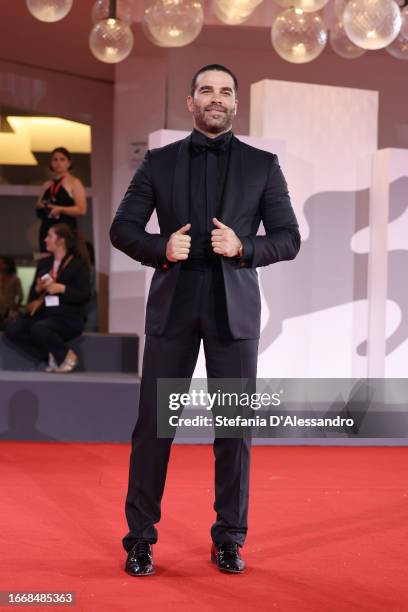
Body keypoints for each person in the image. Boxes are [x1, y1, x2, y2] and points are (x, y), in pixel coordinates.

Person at [110, 64, 301, 576]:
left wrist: (246, 247)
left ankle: (230, 538)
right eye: (206, 91)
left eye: (225, 92)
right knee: (156, 427)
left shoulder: (264, 165)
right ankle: (140, 539)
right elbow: (122, 228)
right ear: (190, 103)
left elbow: (288, 237)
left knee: (234, 430)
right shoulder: (159, 162)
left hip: (232, 313)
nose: (216, 99)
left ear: (235, 103)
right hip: (173, 311)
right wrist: (160, 247)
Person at [5, 223, 90, 373]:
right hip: (44, 314)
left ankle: (67, 356)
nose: (45, 239)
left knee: (40, 328)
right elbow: (31, 296)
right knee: (13, 329)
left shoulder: (78, 265)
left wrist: (62, 289)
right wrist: (38, 289)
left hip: (68, 317)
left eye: (49, 236)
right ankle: (51, 355)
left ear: (61, 241)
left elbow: (84, 295)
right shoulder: (44, 263)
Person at [35, 147, 87, 253]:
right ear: (51, 162)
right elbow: (38, 205)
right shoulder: (47, 184)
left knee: (65, 261)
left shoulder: (74, 182)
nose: (58, 163)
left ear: (69, 162)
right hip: (47, 229)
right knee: (46, 262)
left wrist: (60, 209)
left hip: (65, 230)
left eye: (62, 159)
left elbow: (82, 209)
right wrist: (46, 207)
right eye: (55, 159)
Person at [0, 256, 23, 329]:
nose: (0, 265)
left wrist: (16, 307)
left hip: (8, 309)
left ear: (8, 265)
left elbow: (21, 295)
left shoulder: (15, 279)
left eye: (2, 263)